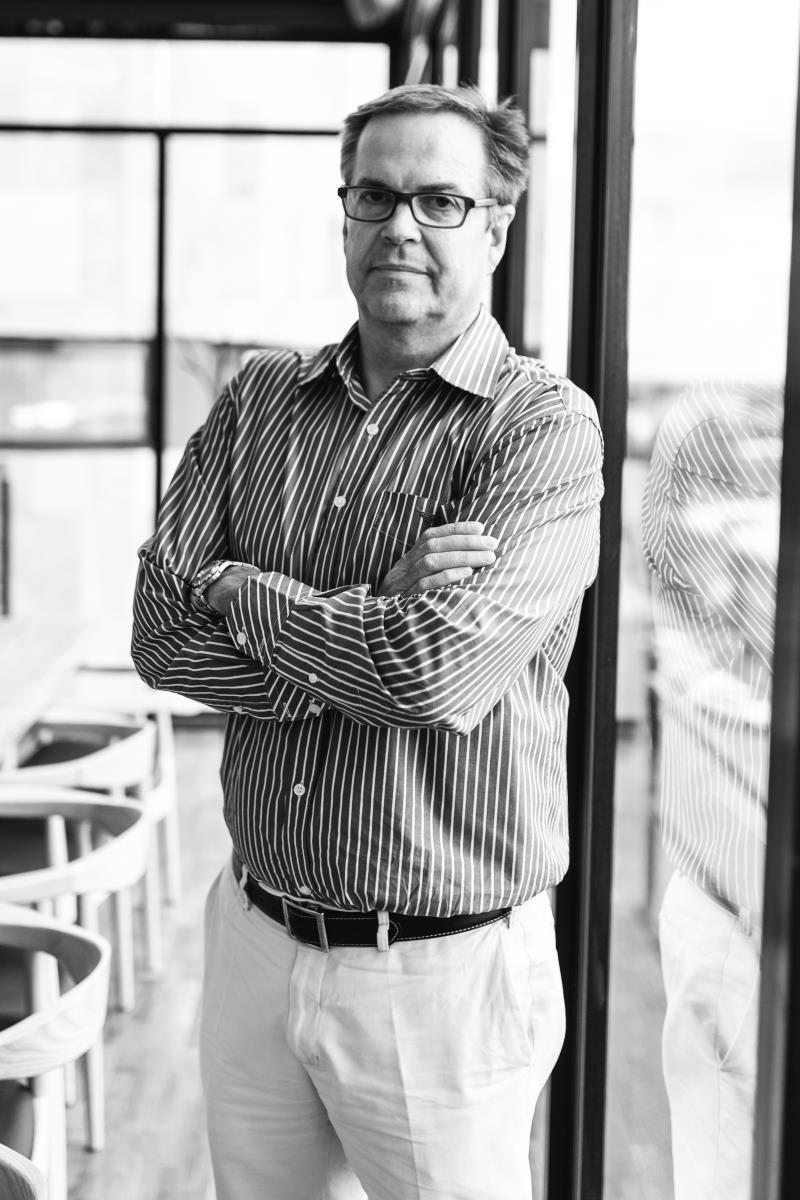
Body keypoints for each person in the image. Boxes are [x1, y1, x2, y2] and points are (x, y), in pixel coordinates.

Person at [132, 82, 603, 1200]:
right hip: (254, 937)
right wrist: (374, 609)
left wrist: (244, 588)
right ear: (344, 211)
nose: (400, 226)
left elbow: (434, 675)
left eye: (440, 201)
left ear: (495, 227)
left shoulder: (542, 428)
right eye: (375, 196)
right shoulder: (258, 400)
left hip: (439, 976)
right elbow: (158, 636)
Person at [641, 380, 781, 1199]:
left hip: (734, 897)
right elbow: (682, 588)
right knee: (726, 1170)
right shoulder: (718, 420)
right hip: (738, 908)